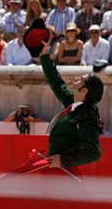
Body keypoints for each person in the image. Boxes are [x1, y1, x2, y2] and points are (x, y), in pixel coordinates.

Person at [38, 37, 104, 168]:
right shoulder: (74, 104)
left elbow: (93, 152)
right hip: (56, 167)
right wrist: (44, 56)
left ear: (84, 90)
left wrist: (63, 160)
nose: (76, 79)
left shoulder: (88, 115)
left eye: (81, 80)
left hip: (64, 171)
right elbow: (56, 83)